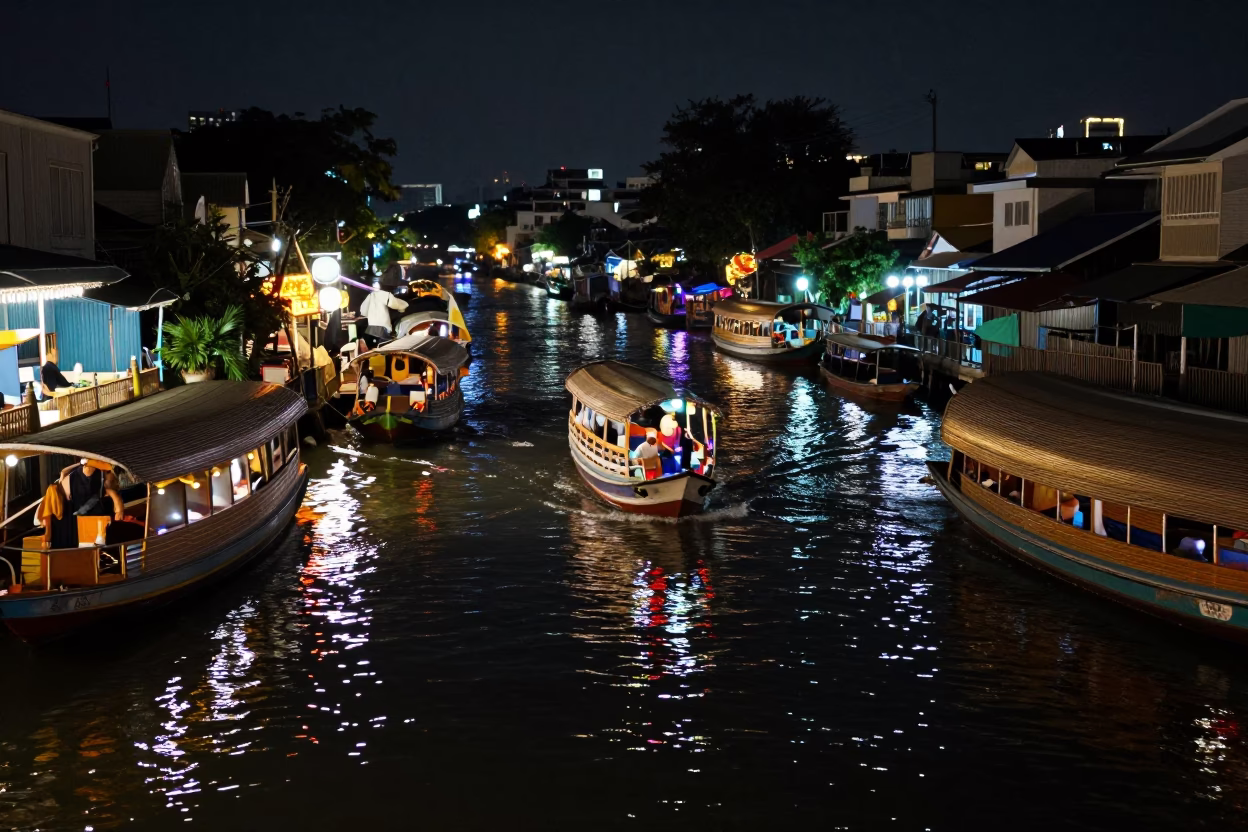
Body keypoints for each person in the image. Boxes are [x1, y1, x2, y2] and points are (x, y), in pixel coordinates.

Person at [48, 459, 124, 549]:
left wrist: (80, 464)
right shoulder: (86, 475)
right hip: (85, 522)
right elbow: (65, 472)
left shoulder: (68, 481)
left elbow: (63, 472)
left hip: (83, 521)